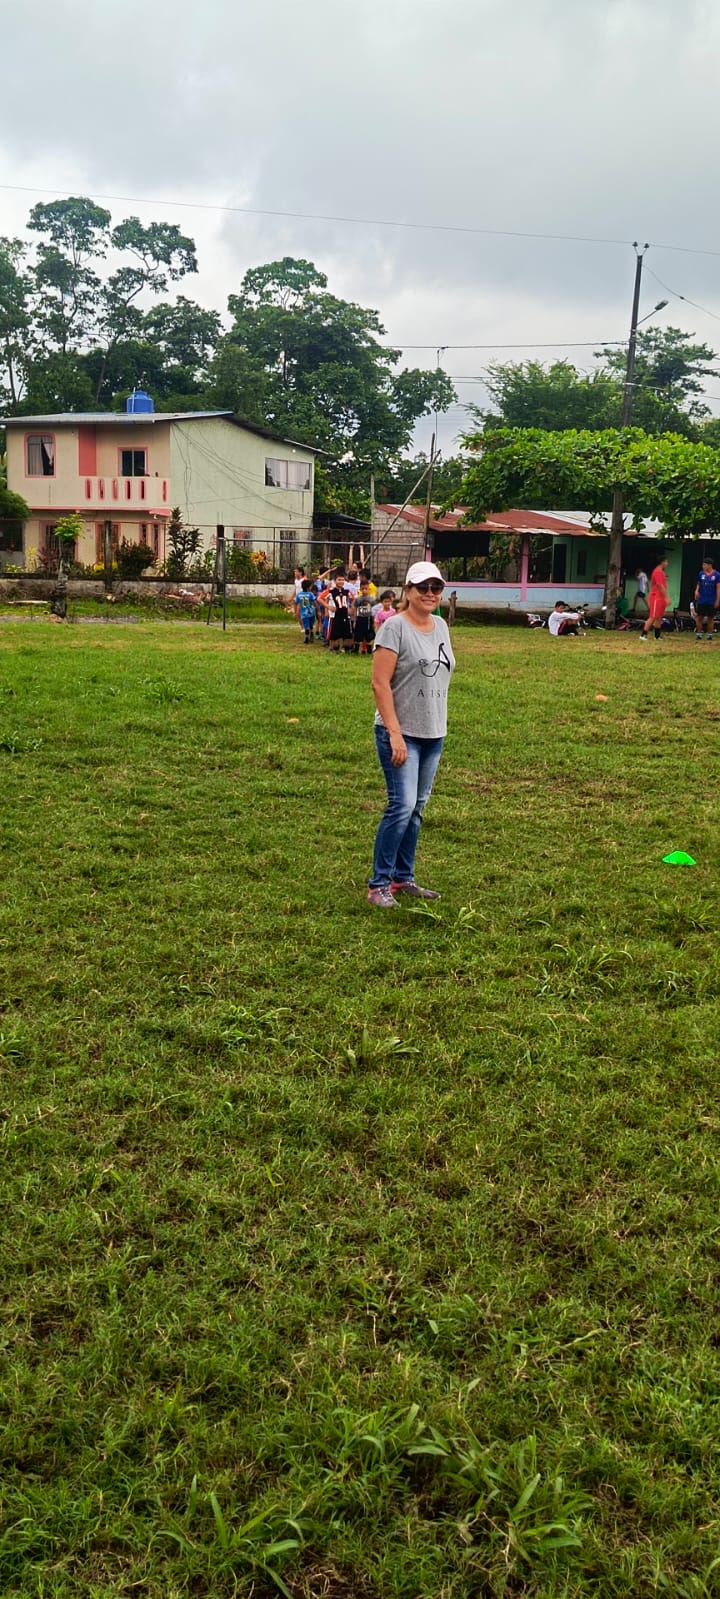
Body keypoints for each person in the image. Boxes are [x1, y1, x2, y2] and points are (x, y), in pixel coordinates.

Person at [367, 561, 455, 909]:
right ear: (408, 590)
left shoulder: (441, 626)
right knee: (401, 806)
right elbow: (379, 683)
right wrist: (395, 733)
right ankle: (378, 885)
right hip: (400, 733)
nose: (430, 593)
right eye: (423, 587)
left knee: (416, 808)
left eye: (436, 587)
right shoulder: (394, 627)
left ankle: (403, 878)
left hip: (433, 732)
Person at [640, 557, 670, 641]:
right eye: (666, 562)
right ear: (662, 562)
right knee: (653, 616)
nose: (667, 564)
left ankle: (657, 636)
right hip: (656, 597)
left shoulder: (662, 572)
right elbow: (659, 585)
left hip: (660, 597)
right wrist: (666, 597)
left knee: (659, 617)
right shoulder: (657, 572)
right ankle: (643, 635)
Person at [693, 558, 720, 641]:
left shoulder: (716, 575)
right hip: (702, 599)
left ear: (709, 565)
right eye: (703, 564)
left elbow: (718, 588)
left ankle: (709, 635)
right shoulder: (701, 574)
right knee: (699, 617)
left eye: (704, 565)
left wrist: (717, 600)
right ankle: (699, 634)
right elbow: (699, 584)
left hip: (711, 599)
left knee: (710, 618)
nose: (703, 566)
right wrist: (696, 591)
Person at [327, 570, 354, 653]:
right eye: (339, 580)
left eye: (343, 580)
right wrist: (328, 607)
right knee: (335, 634)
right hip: (335, 615)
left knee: (347, 633)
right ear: (335, 581)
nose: (341, 581)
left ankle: (347, 648)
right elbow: (320, 598)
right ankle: (334, 648)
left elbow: (354, 599)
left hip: (345, 615)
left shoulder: (346, 591)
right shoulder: (331, 591)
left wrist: (351, 608)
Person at [351, 579, 376, 654]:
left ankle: (369, 650)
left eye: (366, 588)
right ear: (360, 589)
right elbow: (355, 609)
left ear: (369, 589)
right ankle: (356, 649)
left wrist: (374, 621)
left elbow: (374, 611)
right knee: (358, 634)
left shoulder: (372, 599)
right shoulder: (358, 599)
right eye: (362, 589)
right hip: (360, 618)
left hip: (368, 619)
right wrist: (355, 620)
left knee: (369, 635)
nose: (364, 590)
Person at [294, 578, 318, 644]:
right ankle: (311, 633)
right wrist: (317, 609)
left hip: (304, 614)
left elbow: (295, 603)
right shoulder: (310, 594)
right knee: (311, 624)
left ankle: (306, 637)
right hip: (311, 612)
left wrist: (295, 612)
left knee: (306, 626)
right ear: (308, 587)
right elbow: (315, 602)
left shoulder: (299, 594)